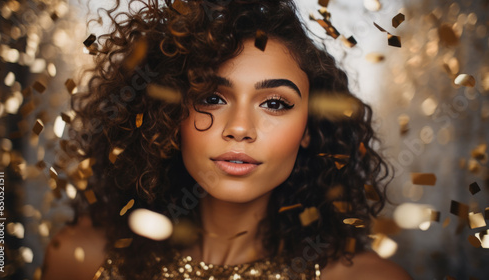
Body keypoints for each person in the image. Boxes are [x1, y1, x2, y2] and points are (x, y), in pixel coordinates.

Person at [42, 0, 412, 279]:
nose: (239, 127)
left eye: (274, 103)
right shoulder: (80, 259)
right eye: (212, 98)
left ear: (310, 130)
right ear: (168, 117)